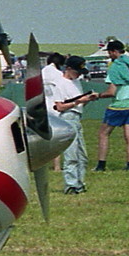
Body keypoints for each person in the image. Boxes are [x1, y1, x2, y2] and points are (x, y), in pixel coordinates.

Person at [50, 55, 96, 193]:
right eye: (76, 72)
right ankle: (71, 185)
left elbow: (79, 103)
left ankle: (80, 183)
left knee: (82, 155)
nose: (78, 75)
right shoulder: (60, 84)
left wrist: (88, 99)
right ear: (68, 69)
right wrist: (78, 102)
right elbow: (59, 106)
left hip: (77, 117)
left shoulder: (77, 83)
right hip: (67, 118)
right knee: (71, 155)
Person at [95, 40, 129, 171]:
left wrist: (98, 95)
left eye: (109, 52)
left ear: (114, 52)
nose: (109, 55)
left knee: (103, 134)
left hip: (118, 105)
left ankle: (101, 164)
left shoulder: (115, 67)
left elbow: (111, 92)